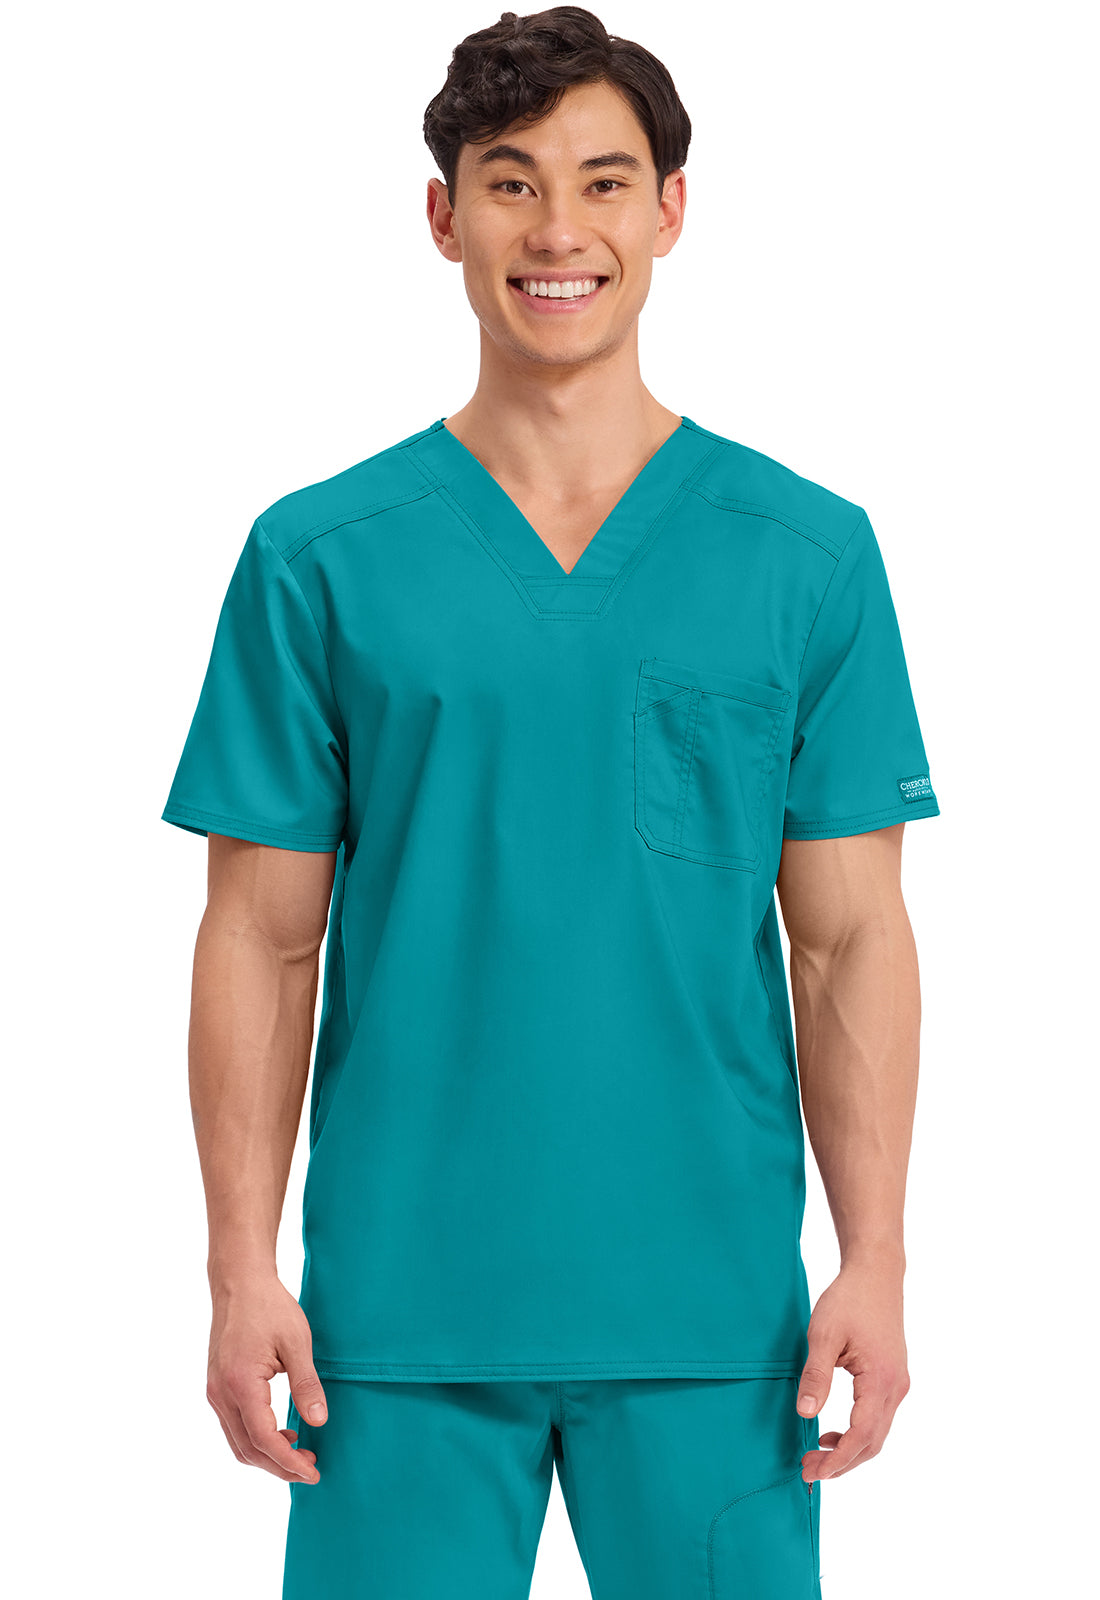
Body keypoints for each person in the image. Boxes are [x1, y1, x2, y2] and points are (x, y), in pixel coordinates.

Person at [161, 8, 941, 1596]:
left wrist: (876, 1257)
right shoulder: (321, 558)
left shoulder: (805, 555)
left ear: (671, 210)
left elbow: (849, 940)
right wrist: (240, 1267)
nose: (558, 229)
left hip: (716, 1322)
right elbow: (260, 938)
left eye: (604, 181)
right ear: (443, 216)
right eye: (511, 183)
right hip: (395, 1321)